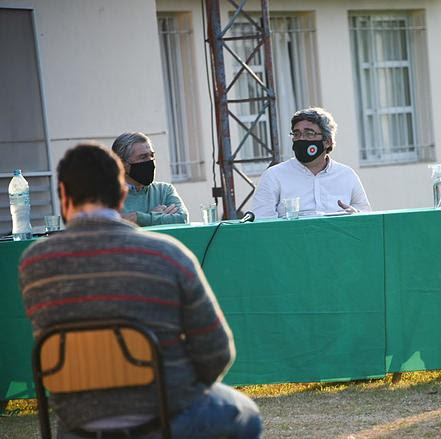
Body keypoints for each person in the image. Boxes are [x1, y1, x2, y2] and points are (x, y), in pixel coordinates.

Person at [19, 143, 261, 439]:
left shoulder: (35, 264)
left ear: (63, 197)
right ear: (122, 195)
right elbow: (217, 351)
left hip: (78, 427)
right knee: (246, 414)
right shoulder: (167, 254)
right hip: (166, 419)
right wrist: (183, 391)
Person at [251, 107, 371, 218]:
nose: (301, 139)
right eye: (296, 134)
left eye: (309, 134)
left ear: (327, 141)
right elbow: (262, 221)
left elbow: (366, 216)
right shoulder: (274, 176)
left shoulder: (346, 175)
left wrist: (355, 214)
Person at [111, 132, 188, 226]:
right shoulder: (108, 195)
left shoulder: (164, 190)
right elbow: (109, 226)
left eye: (152, 155)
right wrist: (157, 217)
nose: (150, 161)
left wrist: (137, 218)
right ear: (121, 163)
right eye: (143, 157)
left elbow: (182, 218)